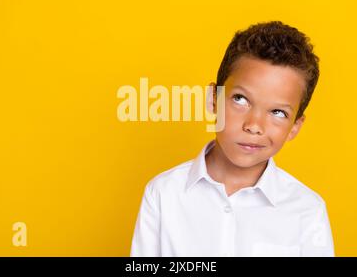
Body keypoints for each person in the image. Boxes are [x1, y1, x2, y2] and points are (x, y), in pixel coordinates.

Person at [130, 21, 335, 256]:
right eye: (240, 99)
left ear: (294, 127)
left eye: (278, 112)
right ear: (213, 100)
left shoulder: (308, 211)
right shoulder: (163, 194)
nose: (254, 126)